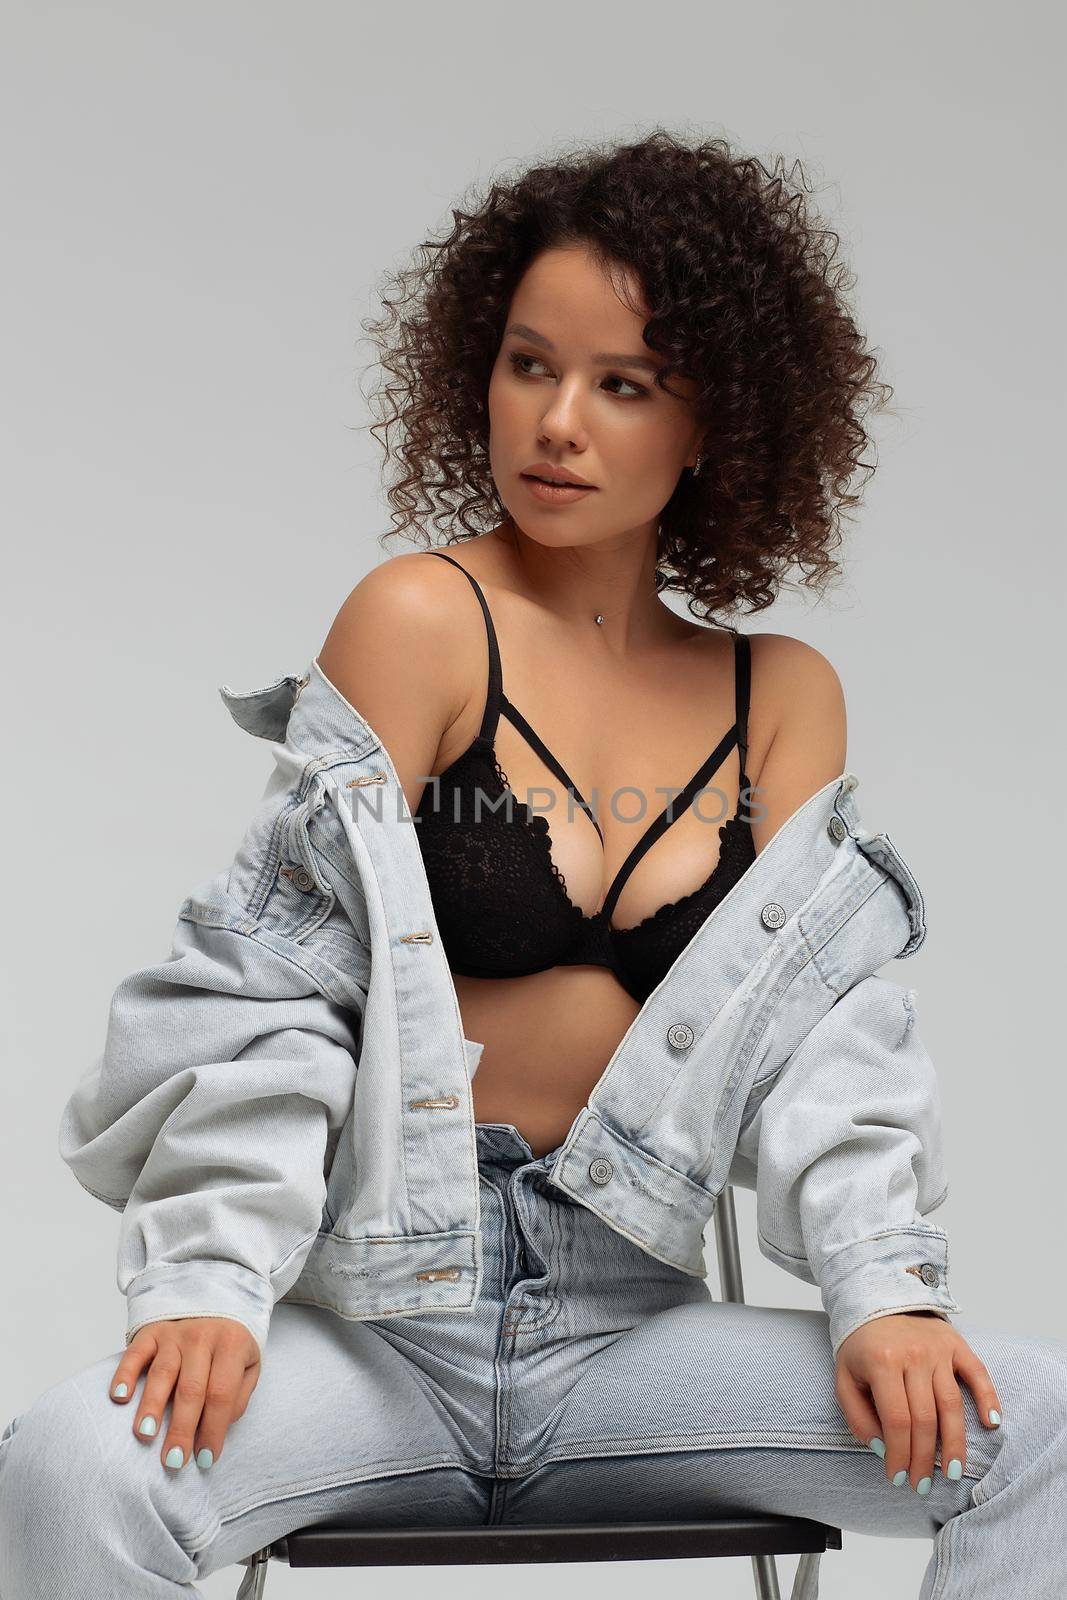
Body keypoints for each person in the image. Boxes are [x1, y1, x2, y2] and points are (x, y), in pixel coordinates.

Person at [2, 130, 1065, 1600]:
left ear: (714, 424)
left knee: (1042, 1431)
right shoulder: (420, 621)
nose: (558, 422)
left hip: (633, 1341)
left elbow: (833, 1039)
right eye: (528, 365)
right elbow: (275, 984)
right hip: (382, 1333)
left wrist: (885, 1291)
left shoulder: (786, 697)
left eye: (622, 385)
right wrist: (207, 1282)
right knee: (69, 1467)